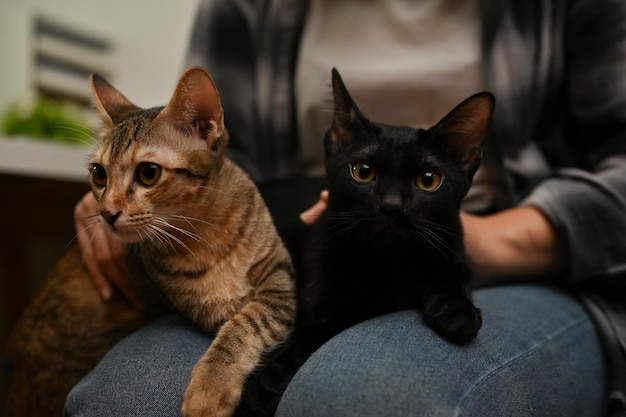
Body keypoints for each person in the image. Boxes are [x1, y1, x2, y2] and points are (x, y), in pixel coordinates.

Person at [64, 0, 626, 416]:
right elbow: (212, 158)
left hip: (501, 256)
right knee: (121, 402)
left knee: (356, 397)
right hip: (301, 255)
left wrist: (490, 244)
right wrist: (136, 190)